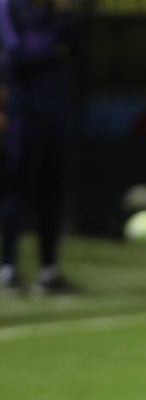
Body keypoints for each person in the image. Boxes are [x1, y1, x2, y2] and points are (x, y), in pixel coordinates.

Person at [0, 0, 78, 295]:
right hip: (24, 114)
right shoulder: (9, 7)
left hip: (56, 113)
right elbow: (17, 58)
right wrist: (54, 50)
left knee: (53, 192)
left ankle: (49, 270)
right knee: (17, 190)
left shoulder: (56, 14)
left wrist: (63, 19)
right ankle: (8, 268)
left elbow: (77, 52)